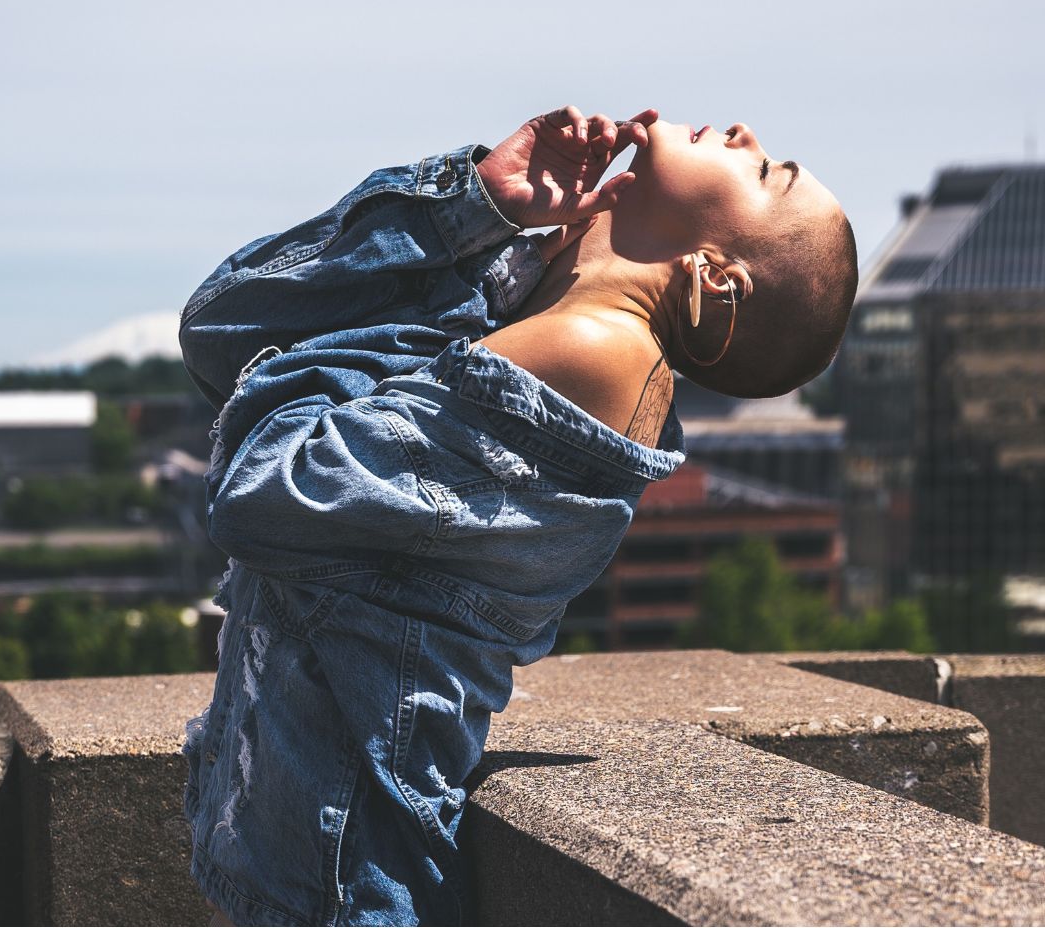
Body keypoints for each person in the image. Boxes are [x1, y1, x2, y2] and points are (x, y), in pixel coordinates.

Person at [179, 105, 858, 926]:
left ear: (715, 276)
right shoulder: (537, 324)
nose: (747, 134)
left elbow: (259, 490)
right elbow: (222, 329)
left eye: (764, 172)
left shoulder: (596, 354)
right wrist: (475, 208)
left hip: (339, 870)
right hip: (297, 847)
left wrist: (460, 276)